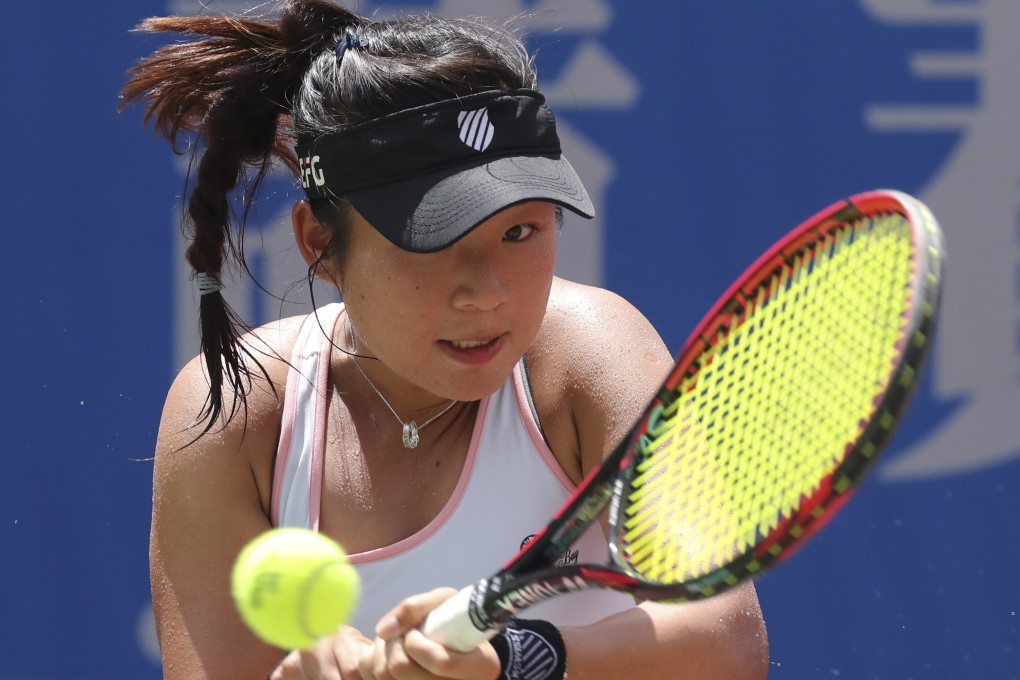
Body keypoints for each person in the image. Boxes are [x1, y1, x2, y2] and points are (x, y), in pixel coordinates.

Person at [121, 1, 769, 678]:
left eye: (520, 232)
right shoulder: (237, 414)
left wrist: (513, 660)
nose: (486, 292)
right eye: (430, 241)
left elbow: (726, 641)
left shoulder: (590, 350)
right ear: (320, 242)